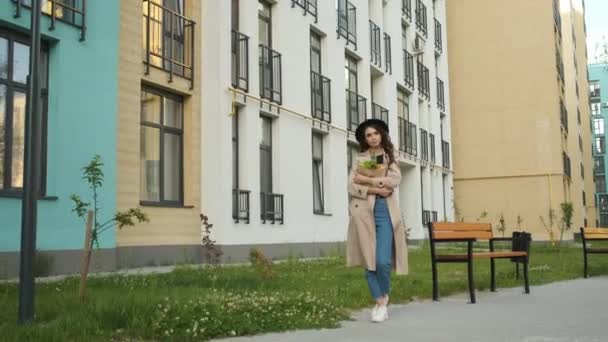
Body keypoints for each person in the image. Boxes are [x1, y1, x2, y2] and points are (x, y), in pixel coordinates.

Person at [347, 118, 409, 323]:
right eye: (368, 135)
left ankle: (384, 296)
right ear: (364, 139)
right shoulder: (360, 158)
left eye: (375, 133)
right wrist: (374, 186)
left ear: (381, 134)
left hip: (385, 210)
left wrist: (366, 179)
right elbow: (351, 186)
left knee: (383, 260)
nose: (372, 137)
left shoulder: (390, 156)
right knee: (369, 260)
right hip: (363, 210)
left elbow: (394, 182)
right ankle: (380, 302)